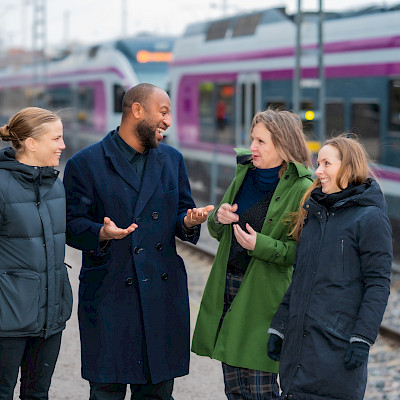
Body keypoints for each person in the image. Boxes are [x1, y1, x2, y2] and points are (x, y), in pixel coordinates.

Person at [63, 83, 213, 400]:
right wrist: (100, 233)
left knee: (157, 393)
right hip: (110, 298)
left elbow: (181, 212)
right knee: (106, 393)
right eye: (163, 111)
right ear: (137, 110)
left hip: (161, 297)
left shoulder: (172, 160)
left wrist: (188, 221)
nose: (169, 120)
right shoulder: (85, 163)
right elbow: (70, 225)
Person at [191, 108, 314, 400]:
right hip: (227, 289)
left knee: (260, 391)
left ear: (283, 146)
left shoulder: (303, 188)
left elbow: (303, 253)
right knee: (234, 389)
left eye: (261, 142)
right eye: (252, 139)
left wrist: (259, 246)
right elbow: (216, 230)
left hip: (264, 300)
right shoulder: (244, 174)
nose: (253, 147)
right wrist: (218, 218)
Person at [267, 134, 392, 400]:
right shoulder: (315, 215)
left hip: (337, 348)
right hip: (299, 349)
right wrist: (279, 326)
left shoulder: (370, 218)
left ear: (348, 168)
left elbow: (378, 283)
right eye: (318, 163)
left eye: (326, 164)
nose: (318, 171)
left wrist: (362, 338)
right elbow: (300, 278)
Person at [0, 107, 73, 400]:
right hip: (7, 320)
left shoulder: (55, 185)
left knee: (38, 394)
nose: (63, 145)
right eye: (56, 138)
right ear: (31, 143)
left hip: (49, 319)